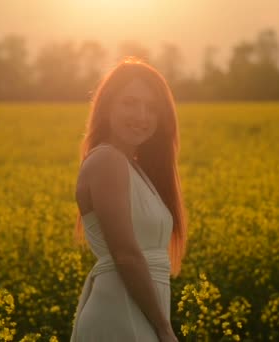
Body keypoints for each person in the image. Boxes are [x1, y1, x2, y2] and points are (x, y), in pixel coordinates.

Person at [70, 56, 187, 342]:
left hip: (138, 311)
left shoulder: (133, 167)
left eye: (151, 108)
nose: (141, 116)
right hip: (119, 312)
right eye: (129, 103)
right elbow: (126, 255)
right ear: (107, 105)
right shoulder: (108, 160)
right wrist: (163, 328)